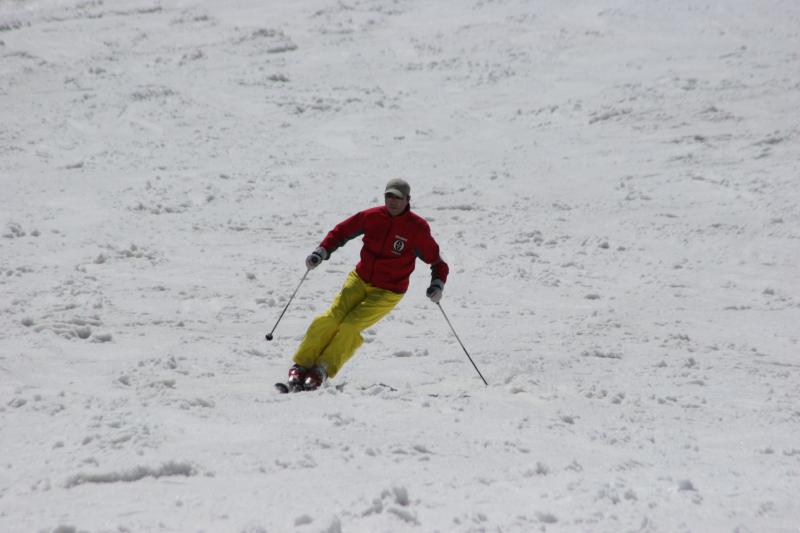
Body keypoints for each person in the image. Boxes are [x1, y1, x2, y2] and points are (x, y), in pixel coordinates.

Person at [286, 178, 449, 390]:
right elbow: (341, 232)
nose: (392, 201)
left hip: (388, 291)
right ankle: (301, 365)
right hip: (359, 279)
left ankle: (322, 369)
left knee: (350, 326)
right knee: (330, 318)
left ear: (408, 200)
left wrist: (437, 285)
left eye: (398, 198)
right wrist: (322, 251)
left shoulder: (416, 228)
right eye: (389, 196)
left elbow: (438, 263)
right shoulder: (372, 216)